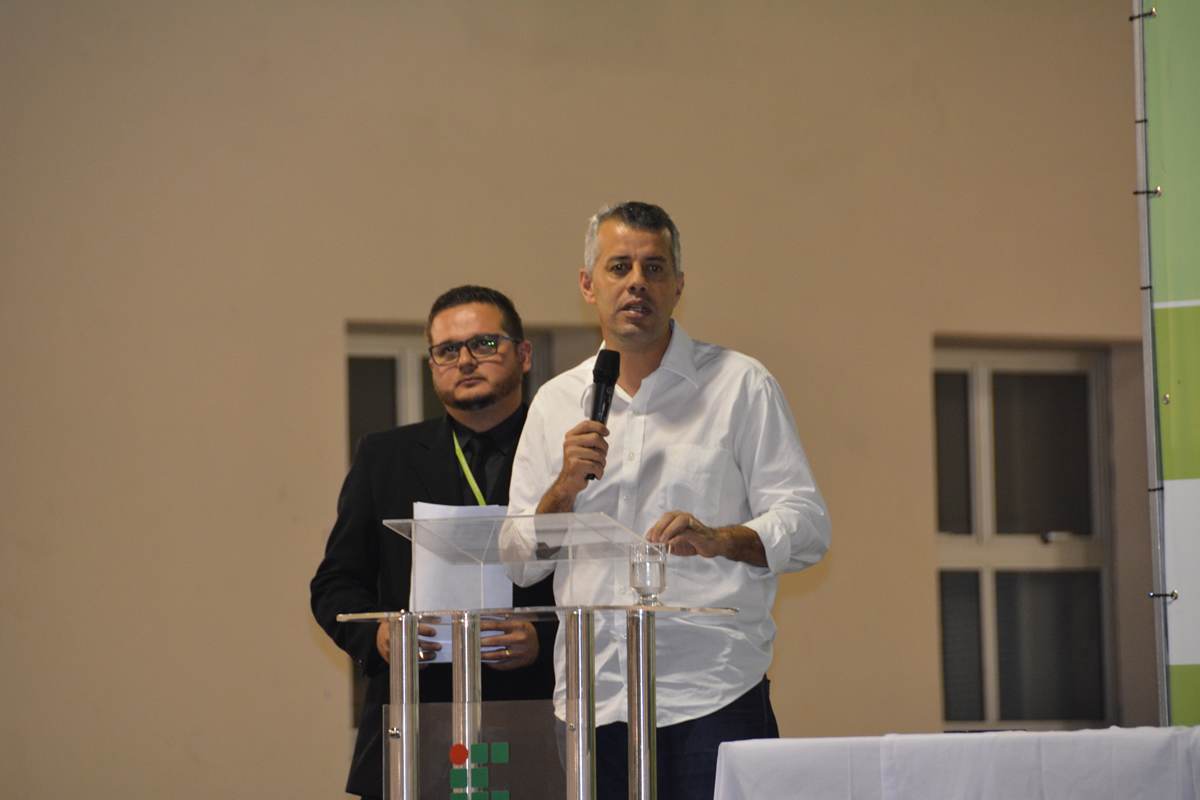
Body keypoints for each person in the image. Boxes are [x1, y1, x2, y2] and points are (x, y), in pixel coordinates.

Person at [507, 202, 831, 800]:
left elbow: (807, 526)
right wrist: (564, 488)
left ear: (678, 286)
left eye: (654, 268)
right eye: (619, 267)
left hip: (711, 694)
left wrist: (720, 539)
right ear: (588, 285)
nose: (637, 282)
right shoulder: (554, 402)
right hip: (591, 701)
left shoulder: (740, 385)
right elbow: (520, 562)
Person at [311, 285, 557, 800]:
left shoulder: (564, 454)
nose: (465, 360)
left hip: (541, 719)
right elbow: (336, 584)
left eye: (484, 344)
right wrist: (381, 635)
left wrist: (546, 640)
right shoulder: (385, 457)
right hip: (416, 722)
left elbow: (603, 581)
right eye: (447, 350)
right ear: (432, 365)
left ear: (524, 354)